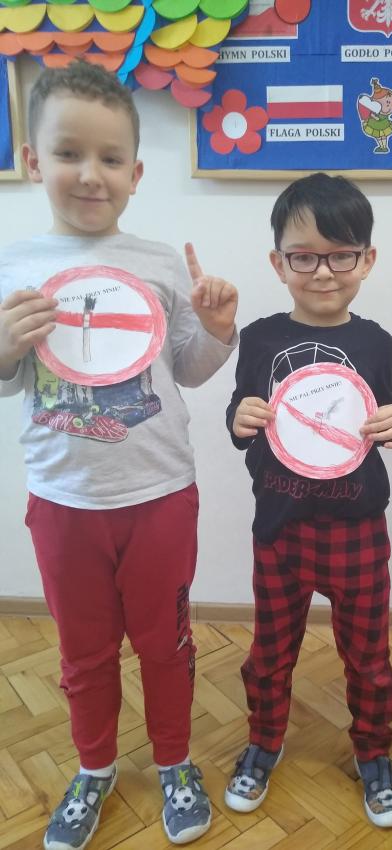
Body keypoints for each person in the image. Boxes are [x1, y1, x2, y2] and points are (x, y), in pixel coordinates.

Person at [0, 61, 238, 849]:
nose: (89, 174)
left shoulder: (161, 262)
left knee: (166, 644)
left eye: (109, 158)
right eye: (68, 153)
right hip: (63, 499)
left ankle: (174, 761)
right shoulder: (13, 265)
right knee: (83, 652)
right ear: (33, 160)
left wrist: (218, 331)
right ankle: (94, 767)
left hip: (160, 492)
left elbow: (189, 371)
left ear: (136, 174)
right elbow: (7, 380)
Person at [225, 172, 392, 829]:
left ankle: (374, 752)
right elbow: (241, 415)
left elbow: (382, 413)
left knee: (368, 657)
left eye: (341, 255)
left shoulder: (377, 342)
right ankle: (264, 741)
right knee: (269, 651)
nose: (324, 272)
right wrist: (239, 418)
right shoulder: (257, 338)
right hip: (279, 526)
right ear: (278, 262)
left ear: (367, 259)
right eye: (304, 257)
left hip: (357, 526)